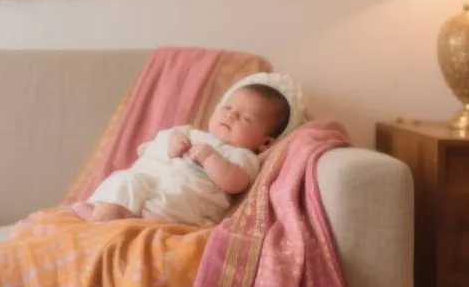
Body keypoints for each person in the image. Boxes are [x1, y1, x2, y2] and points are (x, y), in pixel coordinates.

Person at [72, 74, 302, 225]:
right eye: (228, 107)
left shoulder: (242, 156)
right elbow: (152, 150)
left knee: (164, 206)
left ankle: (108, 219)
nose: (231, 115)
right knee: (124, 180)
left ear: (265, 143)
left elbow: (235, 182)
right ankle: (104, 213)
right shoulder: (190, 133)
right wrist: (173, 141)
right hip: (148, 187)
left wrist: (209, 157)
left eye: (245, 118)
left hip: (178, 211)